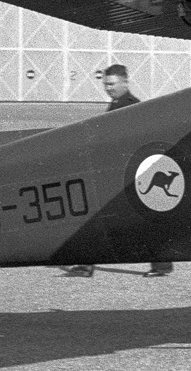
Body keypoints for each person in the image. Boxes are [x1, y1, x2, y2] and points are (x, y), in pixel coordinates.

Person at [66, 64, 174, 276]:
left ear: (125, 83)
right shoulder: (120, 104)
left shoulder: (128, 107)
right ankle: (161, 264)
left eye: (113, 84)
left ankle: (87, 265)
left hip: (126, 175)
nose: (109, 88)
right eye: (106, 84)